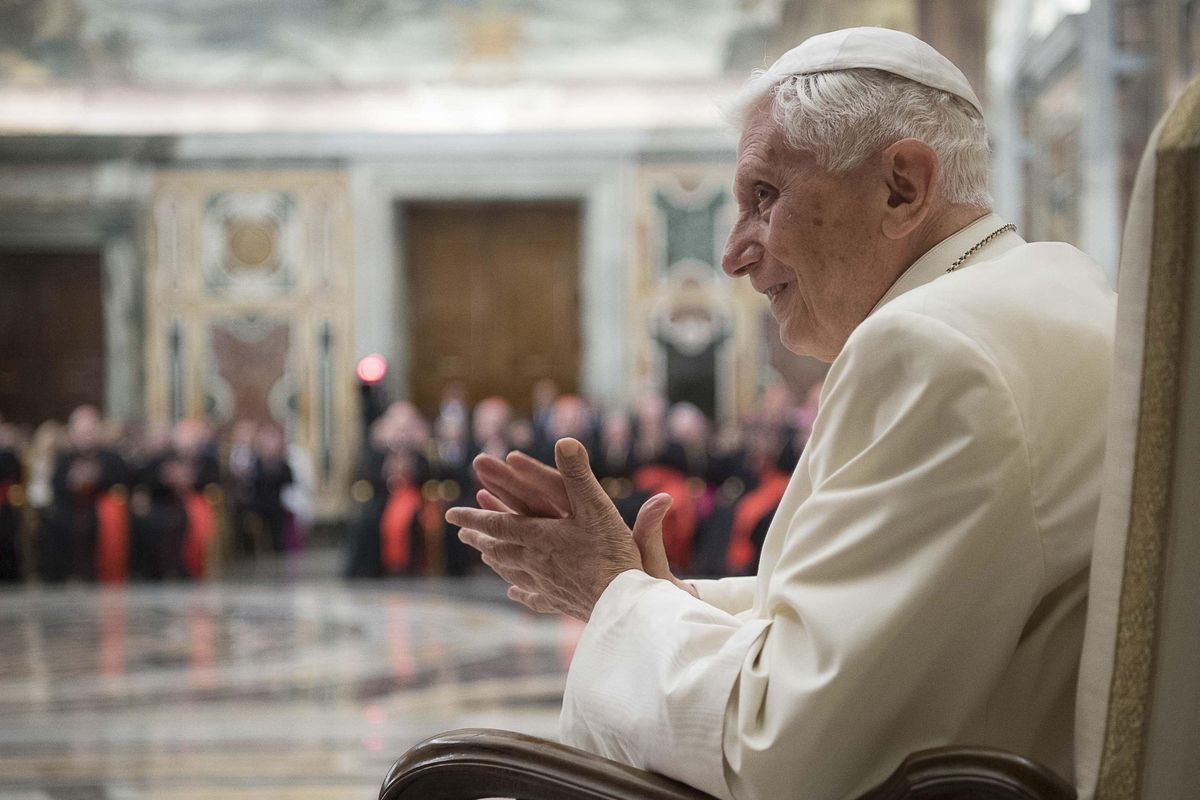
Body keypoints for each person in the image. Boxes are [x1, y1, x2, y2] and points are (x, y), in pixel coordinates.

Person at [447, 27, 1115, 800]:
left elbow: (779, 752)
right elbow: (888, 613)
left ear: (902, 186)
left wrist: (612, 598)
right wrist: (655, 594)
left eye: (764, 197)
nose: (733, 253)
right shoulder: (1052, 286)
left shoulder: (932, 348)